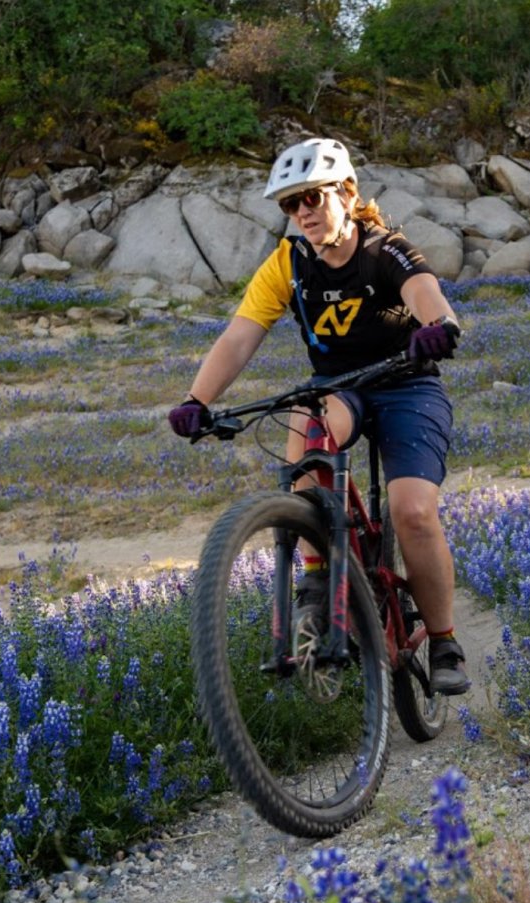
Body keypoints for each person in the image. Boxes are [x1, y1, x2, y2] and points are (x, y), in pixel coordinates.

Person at [167, 137, 470, 696]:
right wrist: (196, 400)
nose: (302, 211)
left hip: (406, 385)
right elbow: (240, 337)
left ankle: (445, 637)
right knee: (306, 446)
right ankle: (314, 584)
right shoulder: (289, 262)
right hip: (339, 388)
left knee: (413, 511)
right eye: (290, 203)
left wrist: (439, 326)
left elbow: (426, 292)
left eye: (312, 197)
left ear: (347, 193)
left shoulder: (385, 249)